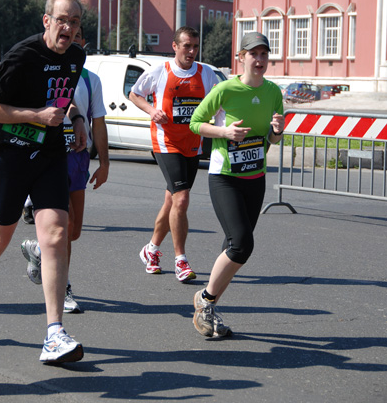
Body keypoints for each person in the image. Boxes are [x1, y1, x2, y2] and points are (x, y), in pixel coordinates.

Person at [0, 0, 87, 363]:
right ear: (47, 21)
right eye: (62, 20)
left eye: (74, 22)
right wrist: (35, 116)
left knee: (57, 234)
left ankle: (54, 333)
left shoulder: (76, 56)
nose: (68, 28)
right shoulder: (22, 55)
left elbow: (62, 98)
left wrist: (76, 119)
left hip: (49, 156)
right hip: (11, 157)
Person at [189, 32, 285, 337]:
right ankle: (205, 301)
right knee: (242, 243)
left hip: (255, 178)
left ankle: (210, 308)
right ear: (240, 58)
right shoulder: (225, 89)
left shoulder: (272, 92)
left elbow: (269, 139)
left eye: (264, 55)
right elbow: (195, 122)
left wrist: (277, 133)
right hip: (225, 177)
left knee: (231, 247)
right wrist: (225, 133)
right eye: (253, 54)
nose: (259, 60)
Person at [22, 26, 109, 313]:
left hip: (79, 158)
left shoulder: (90, 79)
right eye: (69, 35)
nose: (73, 40)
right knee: (62, 224)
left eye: (78, 37)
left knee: (74, 231)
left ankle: (38, 249)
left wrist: (104, 162)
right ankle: (65, 288)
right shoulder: (45, 69)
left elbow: (98, 122)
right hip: (51, 154)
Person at [129, 26, 218, 282]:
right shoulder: (160, 71)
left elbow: (220, 100)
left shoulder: (206, 73)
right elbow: (134, 94)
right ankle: (181, 260)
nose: (191, 51)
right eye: (187, 46)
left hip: (192, 143)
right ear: (175, 46)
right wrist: (151, 110)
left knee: (171, 201)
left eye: (195, 46)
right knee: (181, 199)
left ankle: (151, 249)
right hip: (166, 142)